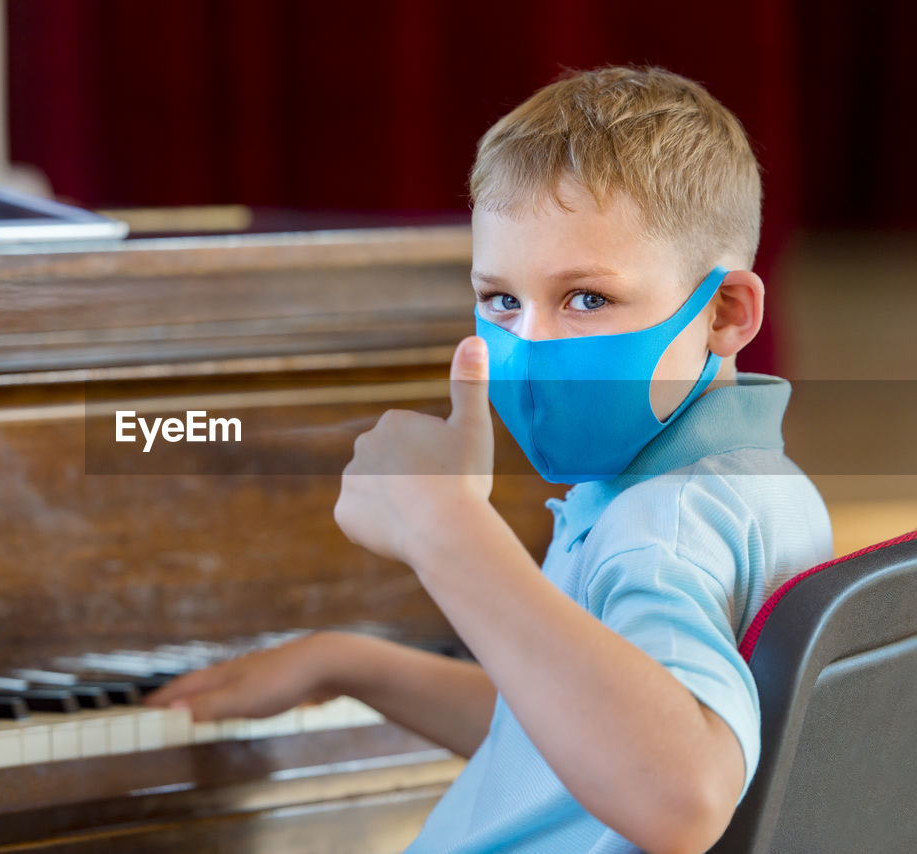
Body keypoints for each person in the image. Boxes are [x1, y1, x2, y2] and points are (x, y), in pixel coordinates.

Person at [146, 66, 833, 854]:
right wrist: (350, 663)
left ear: (724, 312)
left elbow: (679, 796)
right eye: (502, 300)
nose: (530, 347)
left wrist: (446, 532)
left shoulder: (659, 528)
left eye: (586, 299)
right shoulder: (753, 484)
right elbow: (565, 739)